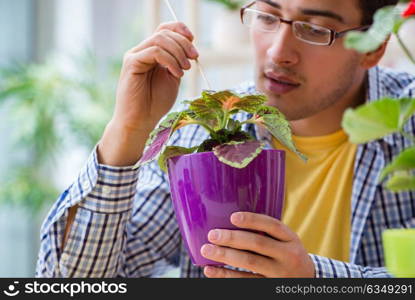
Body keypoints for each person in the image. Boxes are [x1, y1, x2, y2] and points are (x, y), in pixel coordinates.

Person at [36, 0, 414, 278]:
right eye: (267, 16)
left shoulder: (406, 123)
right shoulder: (209, 130)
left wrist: (314, 280)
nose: (279, 52)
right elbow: (69, 282)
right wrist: (127, 130)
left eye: (314, 29)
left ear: (374, 46)